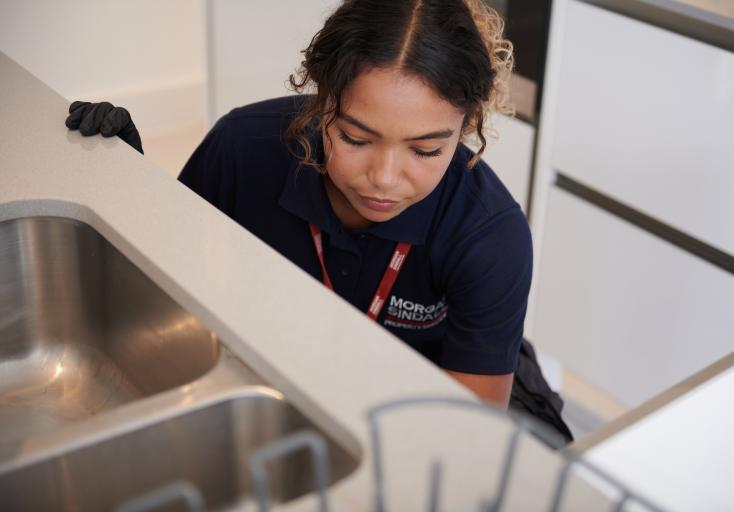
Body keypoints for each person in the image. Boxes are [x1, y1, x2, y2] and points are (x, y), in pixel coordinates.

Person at [66, 0, 572, 443]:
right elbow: (163, 295)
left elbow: (467, 436)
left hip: (423, 401)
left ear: (469, 127)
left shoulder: (489, 234)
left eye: (426, 149)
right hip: (283, 375)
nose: (385, 178)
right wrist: (126, 187)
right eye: (355, 138)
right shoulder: (242, 150)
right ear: (320, 99)